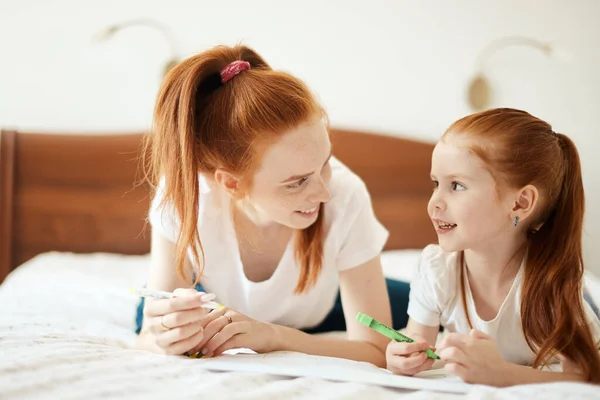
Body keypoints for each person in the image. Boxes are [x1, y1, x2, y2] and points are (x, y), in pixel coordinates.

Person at [134, 44, 410, 367]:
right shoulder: (186, 195)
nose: (324, 193)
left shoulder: (345, 194)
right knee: (159, 318)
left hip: (317, 307)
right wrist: (161, 338)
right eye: (297, 182)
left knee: (432, 304)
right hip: (207, 302)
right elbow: (146, 340)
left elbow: (377, 350)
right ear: (231, 184)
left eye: (325, 163)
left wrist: (271, 335)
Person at [386, 108, 600, 385]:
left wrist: (501, 374)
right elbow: (417, 340)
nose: (434, 203)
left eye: (457, 186)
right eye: (436, 184)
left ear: (520, 203)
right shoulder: (436, 269)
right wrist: (403, 356)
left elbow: (588, 377)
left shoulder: (553, 282)